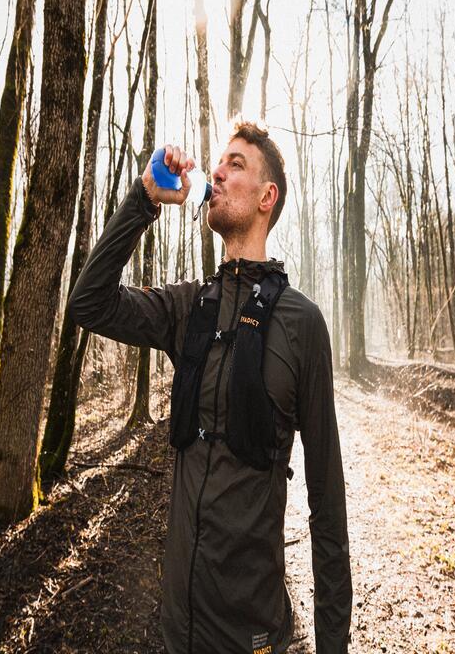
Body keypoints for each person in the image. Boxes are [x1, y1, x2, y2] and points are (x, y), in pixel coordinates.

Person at [68, 122, 352, 654]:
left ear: (267, 198)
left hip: (253, 635)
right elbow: (89, 303)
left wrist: (333, 644)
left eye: (236, 164)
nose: (216, 171)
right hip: (179, 629)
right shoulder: (188, 307)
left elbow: (327, 503)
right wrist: (144, 200)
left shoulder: (302, 323)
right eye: (219, 163)